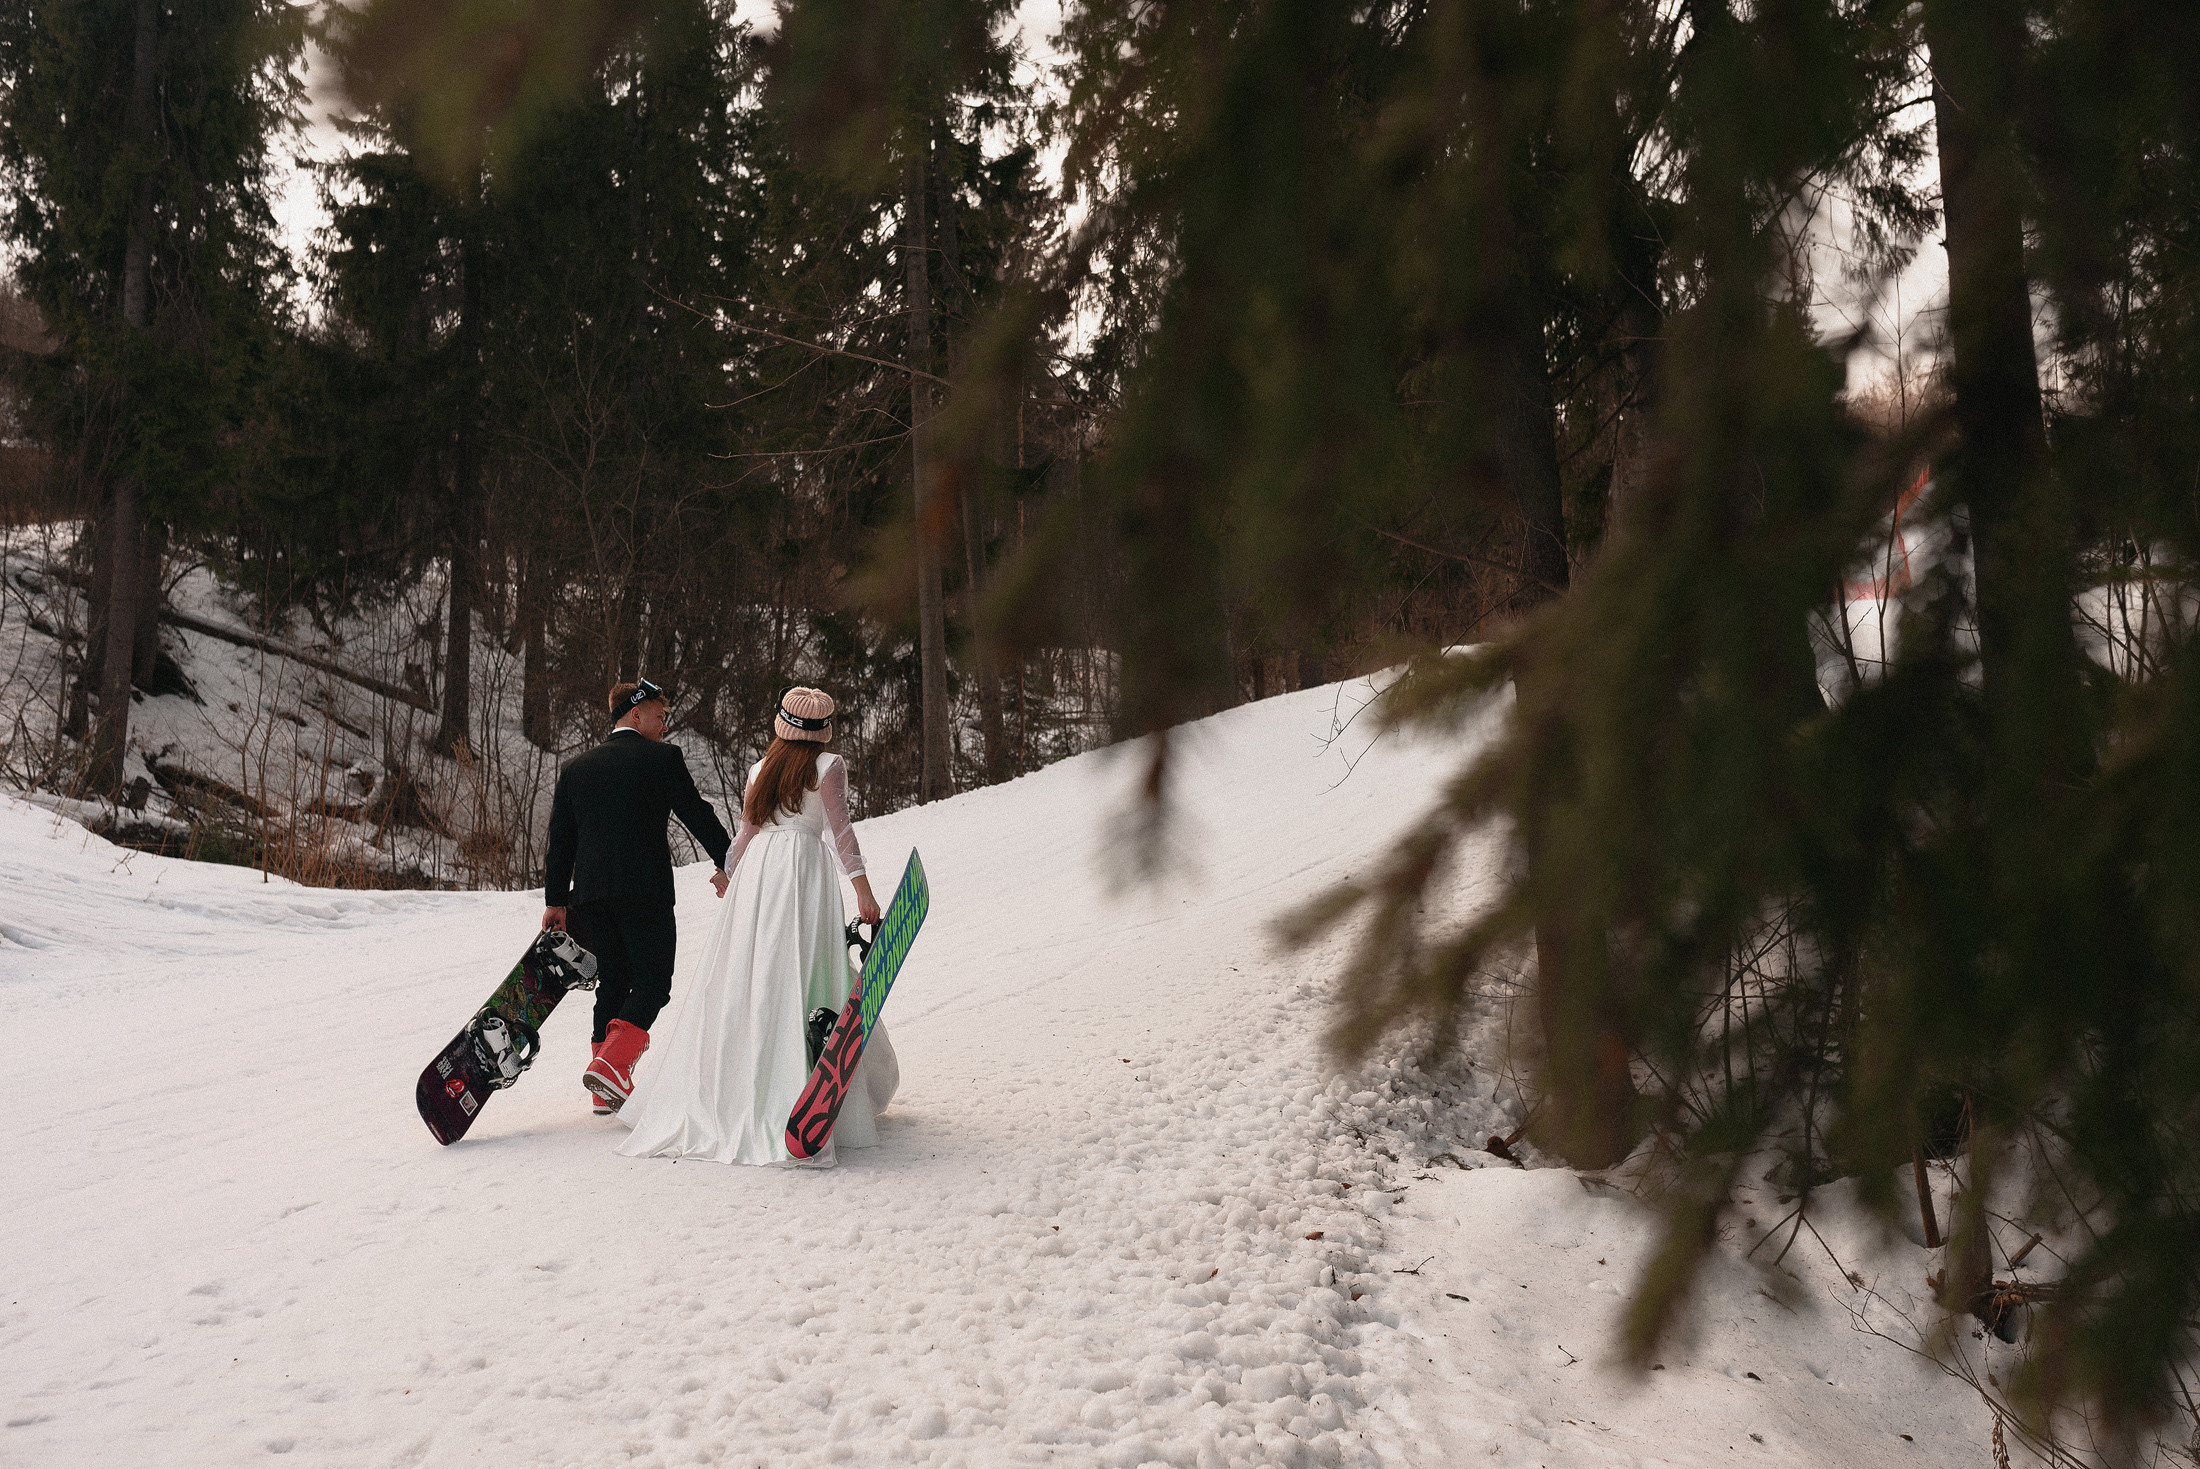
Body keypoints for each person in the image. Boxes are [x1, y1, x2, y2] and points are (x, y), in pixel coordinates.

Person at [615, 686, 896, 1167]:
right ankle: (794, 1079)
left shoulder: (758, 771)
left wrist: (730, 874)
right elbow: (841, 832)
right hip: (802, 874)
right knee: (801, 968)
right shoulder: (828, 768)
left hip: (760, 877)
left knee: (752, 974)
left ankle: (738, 1088)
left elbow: (746, 834)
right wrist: (864, 892)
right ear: (823, 731)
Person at [542, 679, 733, 1116]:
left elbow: (561, 843)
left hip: (589, 897)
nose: (665, 727)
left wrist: (556, 902)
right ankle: (613, 1063)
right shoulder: (661, 759)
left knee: (613, 979)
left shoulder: (576, 769)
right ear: (635, 714)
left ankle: (602, 1085)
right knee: (653, 981)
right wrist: (731, 860)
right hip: (644, 891)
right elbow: (696, 813)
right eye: (660, 717)